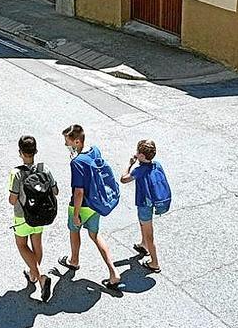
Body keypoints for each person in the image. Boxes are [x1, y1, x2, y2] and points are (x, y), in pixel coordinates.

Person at [57, 124, 121, 290]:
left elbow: (78, 192)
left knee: (74, 231)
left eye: (68, 141)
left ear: (77, 141)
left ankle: (74, 260)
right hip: (96, 203)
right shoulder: (95, 150)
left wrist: (76, 214)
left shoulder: (77, 162)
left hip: (82, 205)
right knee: (95, 235)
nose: (66, 145)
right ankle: (113, 272)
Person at [8, 135, 58, 302]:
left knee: (22, 245)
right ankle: (32, 274)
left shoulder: (16, 173)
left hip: (23, 216)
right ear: (36, 151)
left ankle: (41, 276)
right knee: (37, 244)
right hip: (41, 215)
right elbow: (55, 191)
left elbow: (12, 200)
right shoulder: (44, 169)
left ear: (20, 152)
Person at [120, 139, 162, 273]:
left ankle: (154, 263)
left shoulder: (139, 170)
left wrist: (129, 164)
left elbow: (124, 179)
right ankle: (144, 245)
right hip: (147, 202)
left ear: (142, 156)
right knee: (143, 224)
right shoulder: (156, 164)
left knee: (149, 233)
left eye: (137, 152)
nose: (135, 154)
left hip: (145, 204)